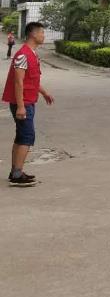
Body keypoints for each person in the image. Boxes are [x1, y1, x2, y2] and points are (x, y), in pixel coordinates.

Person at [2, 21, 54, 186]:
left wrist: (44, 92)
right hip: (22, 102)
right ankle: (17, 175)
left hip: (28, 101)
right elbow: (18, 82)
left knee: (21, 136)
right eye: (42, 33)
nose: (43, 36)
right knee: (27, 136)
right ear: (33, 34)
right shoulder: (23, 54)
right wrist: (21, 106)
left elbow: (31, 79)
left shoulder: (31, 54)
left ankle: (15, 172)